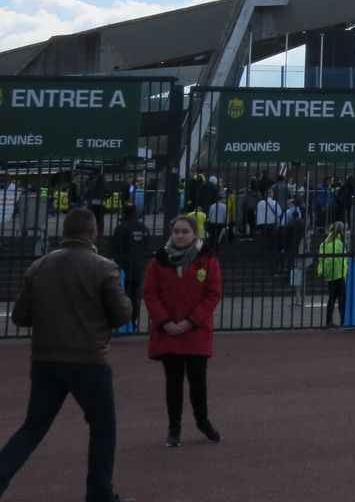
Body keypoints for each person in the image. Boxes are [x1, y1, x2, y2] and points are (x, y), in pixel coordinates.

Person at [0, 208, 135, 502]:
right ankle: (99, 494)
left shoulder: (38, 266)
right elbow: (122, 313)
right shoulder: (104, 267)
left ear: (64, 232)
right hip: (89, 360)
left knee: (32, 427)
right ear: (93, 232)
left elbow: (21, 316)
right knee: (103, 426)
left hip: (46, 359)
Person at [143, 215, 223, 447]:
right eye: (176, 231)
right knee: (173, 382)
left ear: (194, 234)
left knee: (198, 379)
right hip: (168, 329)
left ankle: (202, 421)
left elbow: (213, 294)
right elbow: (150, 294)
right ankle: (174, 427)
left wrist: (191, 321)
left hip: (195, 330)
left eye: (184, 231)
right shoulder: (159, 260)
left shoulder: (207, 259)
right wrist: (165, 321)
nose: (179, 235)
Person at [109, 203, 150, 330]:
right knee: (134, 295)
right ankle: (132, 321)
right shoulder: (143, 227)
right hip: (138, 266)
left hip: (124, 267)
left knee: (122, 295)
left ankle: (124, 323)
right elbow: (146, 246)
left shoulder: (122, 228)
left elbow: (114, 247)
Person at [317, 222, 349, 328]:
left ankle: (328, 320)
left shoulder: (325, 243)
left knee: (332, 298)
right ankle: (344, 320)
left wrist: (322, 271)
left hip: (329, 274)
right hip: (339, 273)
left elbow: (321, 259)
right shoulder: (339, 242)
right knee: (342, 299)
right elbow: (343, 257)